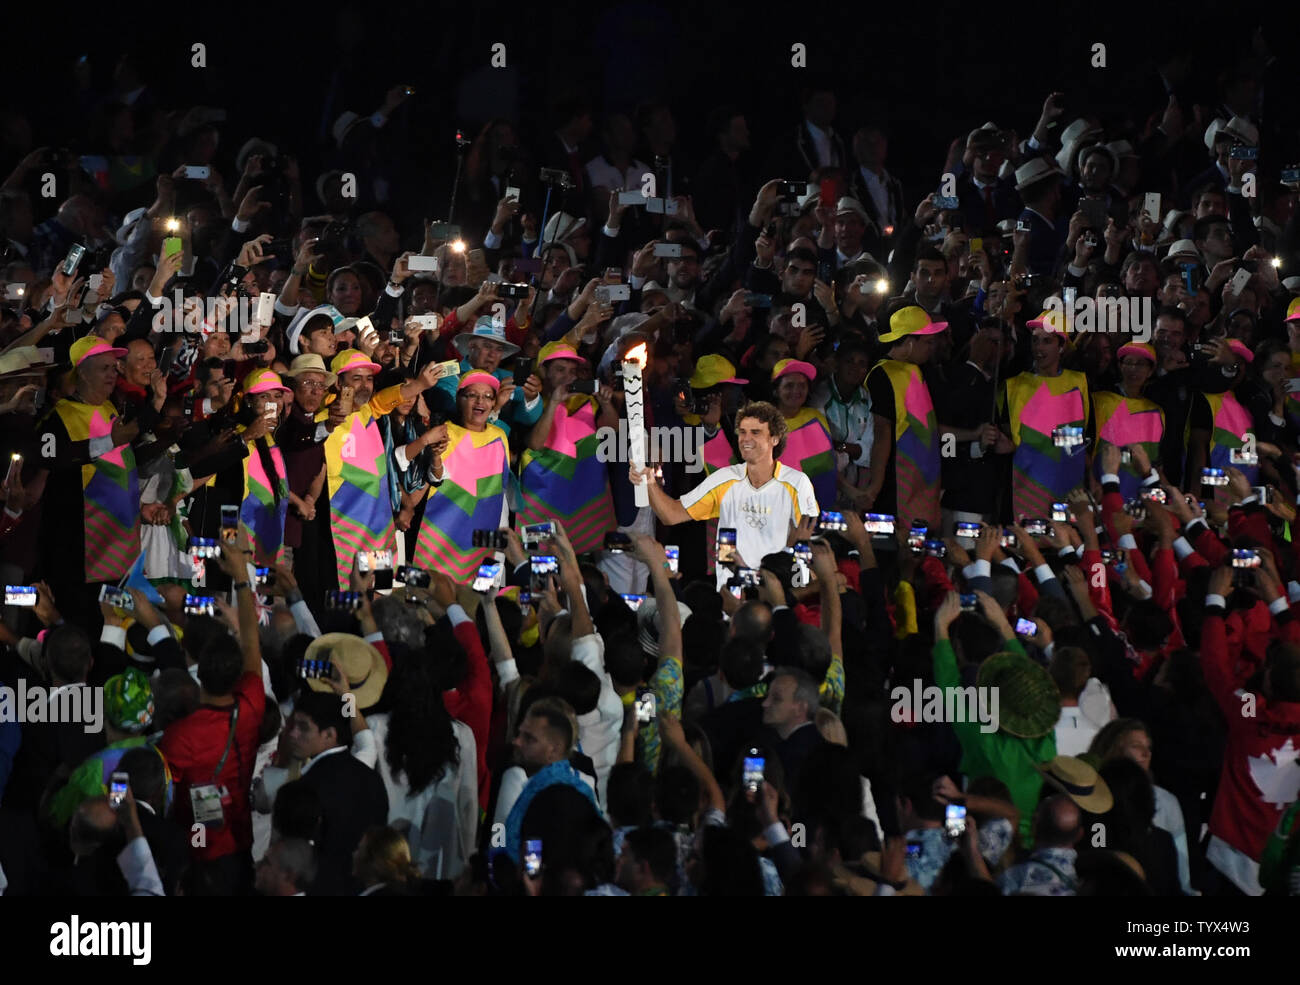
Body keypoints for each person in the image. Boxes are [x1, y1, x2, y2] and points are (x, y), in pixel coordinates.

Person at [158, 532, 266, 895]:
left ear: (198, 669)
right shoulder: (251, 704)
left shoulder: (180, 735)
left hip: (198, 854)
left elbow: (161, 794)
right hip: (241, 844)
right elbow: (252, 642)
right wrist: (241, 576)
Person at [630, 401, 817, 587]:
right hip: (733, 597)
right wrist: (649, 481)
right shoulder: (725, 479)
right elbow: (671, 515)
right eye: (742, 432)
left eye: (755, 432)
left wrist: (797, 589)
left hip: (777, 593)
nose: (746, 439)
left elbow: (806, 544)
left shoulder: (797, 484)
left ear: (774, 439)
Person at [321, 350, 446, 589]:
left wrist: (420, 385)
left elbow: (387, 398)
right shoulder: (325, 420)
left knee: (380, 594)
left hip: (378, 532)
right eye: (356, 379)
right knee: (352, 600)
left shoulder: (368, 412)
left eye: (369, 379)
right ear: (338, 382)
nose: (365, 385)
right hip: (345, 532)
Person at [284, 688, 390, 895]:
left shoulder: (306, 787)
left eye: (303, 728)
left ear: (330, 735)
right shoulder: (370, 776)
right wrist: (346, 696)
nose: (293, 734)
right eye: (292, 725)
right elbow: (365, 739)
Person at [516, 342, 617, 554]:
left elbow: (613, 433)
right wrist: (554, 403)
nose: (568, 377)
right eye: (560, 370)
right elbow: (535, 444)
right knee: (540, 569)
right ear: (544, 371)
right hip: (540, 506)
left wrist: (607, 404)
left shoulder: (589, 402)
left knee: (581, 576)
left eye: (572, 371)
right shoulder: (532, 403)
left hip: (585, 513)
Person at [412, 371, 513, 583]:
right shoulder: (443, 433)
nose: (480, 401)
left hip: (487, 545)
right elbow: (429, 480)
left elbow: (500, 495)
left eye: (487, 396)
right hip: (440, 544)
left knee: (484, 603)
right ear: (459, 399)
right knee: (429, 604)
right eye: (473, 395)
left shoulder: (499, 436)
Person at [999, 311, 1090, 520]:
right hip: (1025, 486)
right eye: (1035, 340)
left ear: (1061, 346)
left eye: (1046, 341)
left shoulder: (1079, 383)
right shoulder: (1014, 384)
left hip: (1068, 482)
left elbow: (1083, 437)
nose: (1038, 348)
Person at [863, 306, 944, 532]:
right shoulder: (881, 374)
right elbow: (882, 432)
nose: (932, 348)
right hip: (895, 483)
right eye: (927, 342)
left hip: (923, 484)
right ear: (909, 342)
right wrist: (874, 487)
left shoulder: (916, 371)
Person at [770, 359, 837, 511]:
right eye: (789, 385)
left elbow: (828, 465)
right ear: (776, 390)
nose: (796, 391)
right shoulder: (761, 423)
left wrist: (853, 492)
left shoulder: (815, 417)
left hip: (820, 508)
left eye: (802, 385)